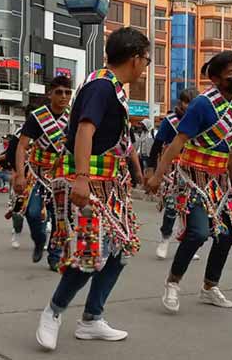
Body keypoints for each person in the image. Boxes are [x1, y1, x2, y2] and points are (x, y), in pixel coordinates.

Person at [35, 27, 148, 350]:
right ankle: (53, 312)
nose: (146, 67)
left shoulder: (109, 86)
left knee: (120, 250)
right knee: (90, 253)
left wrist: (136, 172)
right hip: (91, 182)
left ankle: (92, 318)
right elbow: (86, 129)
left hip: (110, 184)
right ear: (135, 58)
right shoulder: (101, 86)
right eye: (146, 60)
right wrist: (82, 178)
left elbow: (119, 142)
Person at [147, 50, 232, 313]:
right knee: (198, 232)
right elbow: (177, 143)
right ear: (217, 78)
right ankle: (173, 283)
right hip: (194, 177)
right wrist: (157, 175)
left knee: (226, 236)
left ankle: (210, 287)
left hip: (220, 179)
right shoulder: (202, 104)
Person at [13, 75, 72, 270]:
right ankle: (39, 240)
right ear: (50, 94)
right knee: (32, 212)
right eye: (59, 92)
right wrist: (20, 174)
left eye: (67, 92)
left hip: (62, 174)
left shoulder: (73, 118)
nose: (64, 96)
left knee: (59, 217)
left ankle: (54, 257)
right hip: (37, 173)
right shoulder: (37, 117)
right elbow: (22, 146)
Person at [147, 84, 200, 261]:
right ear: (181, 103)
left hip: (192, 168)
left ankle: (187, 242)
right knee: (171, 206)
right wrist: (152, 169)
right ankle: (165, 238)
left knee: (190, 207)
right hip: (172, 168)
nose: (189, 107)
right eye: (187, 103)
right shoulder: (170, 121)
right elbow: (156, 144)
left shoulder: (199, 119)